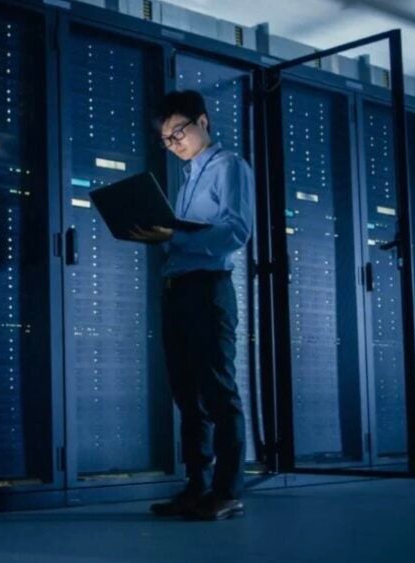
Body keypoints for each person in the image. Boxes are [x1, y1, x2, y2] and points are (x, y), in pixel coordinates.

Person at [130, 90, 254, 521]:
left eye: (178, 131)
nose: (174, 142)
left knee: (219, 392)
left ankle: (228, 491)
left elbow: (235, 232)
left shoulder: (229, 166)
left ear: (203, 121)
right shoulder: (187, 179)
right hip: (179, 288)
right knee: (187, 395)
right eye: (166, 138)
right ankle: (197, 488)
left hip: (208, 289)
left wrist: (175, 237)